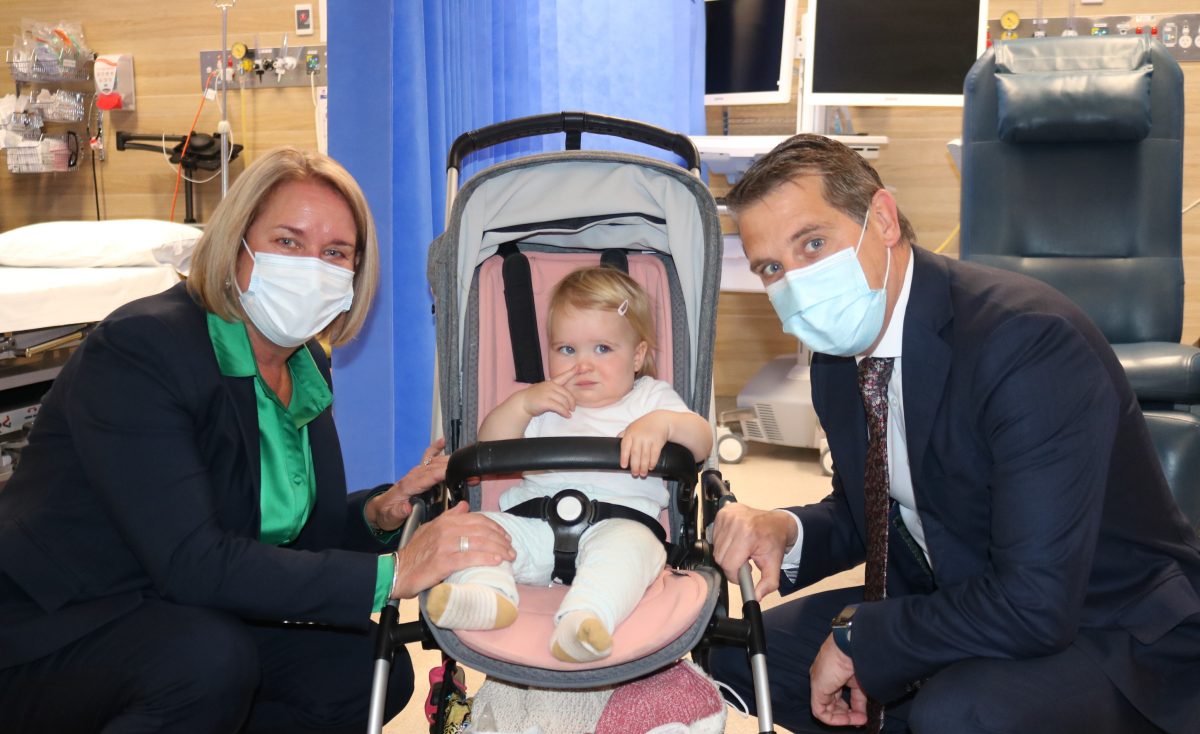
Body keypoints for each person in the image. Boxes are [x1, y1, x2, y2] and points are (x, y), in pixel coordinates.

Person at [0, 146, 515, 734]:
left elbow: (285, 540)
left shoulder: (303, 369)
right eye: (288, 242)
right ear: (236, 246)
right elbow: (192, 562)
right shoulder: (142, 351)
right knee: (206, 661)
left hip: (181, 612)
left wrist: (377, 514)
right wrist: (393, 573)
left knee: (364, 669)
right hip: (58, 629)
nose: (312, 266)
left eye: (335, 253)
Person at [708, 134, 1200, 734]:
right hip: (957, 593)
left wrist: (863, 637)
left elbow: (1035, 605)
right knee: (736, 655)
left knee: (958, 713)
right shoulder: (838, 361)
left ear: (882, 220)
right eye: (771, 268)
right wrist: (785, 530)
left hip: (1105, 627)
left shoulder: (1027, 343)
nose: (795, 283)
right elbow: (879, 510)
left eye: (814, 243)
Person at [425, 266, 712, 663]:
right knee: (479, 530)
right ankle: (487, 596)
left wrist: (663, 425)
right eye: (566, 350)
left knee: (635, 553)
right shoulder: (544, 401)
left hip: (619, 524)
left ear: (638, 356)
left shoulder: (650, 399)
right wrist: (522, 405)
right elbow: (489, 447)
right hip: (531, 523)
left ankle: (584, 620)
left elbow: (700, 443)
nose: (582, 365)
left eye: (603, 349)